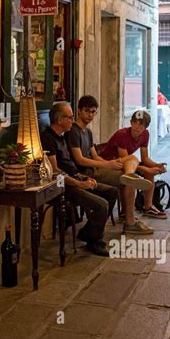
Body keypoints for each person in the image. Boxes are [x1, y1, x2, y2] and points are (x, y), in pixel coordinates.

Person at [67, 95, 153, 235]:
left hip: (97, 166)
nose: (90, 115)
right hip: (86, 172)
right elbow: (80, 160)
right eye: (87, 111)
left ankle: (129, 175)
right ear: (79, 111)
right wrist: (108, 165)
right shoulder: (73, 131)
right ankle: (130, 223)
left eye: (93, 112)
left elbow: (95, 156)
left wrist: (109, 164)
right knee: (129, 180)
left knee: (131, 159)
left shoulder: (88, 132)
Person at [41, 101, 118, 257]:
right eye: (69, 117)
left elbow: (71, 165)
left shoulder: (61, 137)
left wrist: (83, 178)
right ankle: (94, 241)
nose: (72, 120)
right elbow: (55, 172)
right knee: (101, 205)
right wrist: (80, 184)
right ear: (59, 120)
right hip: (64, 186)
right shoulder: (48, 138)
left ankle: (89, 233)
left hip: (76, 177)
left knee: (111, 192)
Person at [99, 110, 168, 222]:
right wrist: (146, 168)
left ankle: (148, 207)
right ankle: (125, 212)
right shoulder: (122, 135)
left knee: (149, 172)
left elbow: (145, 158)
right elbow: (125, 162)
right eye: (134, 122)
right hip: (110, 163)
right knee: (128, 177)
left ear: (146, 127)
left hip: (127, 162)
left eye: (141, 124)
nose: (136, 126)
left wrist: (157, 165)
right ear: (130, 122)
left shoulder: (145, 134)